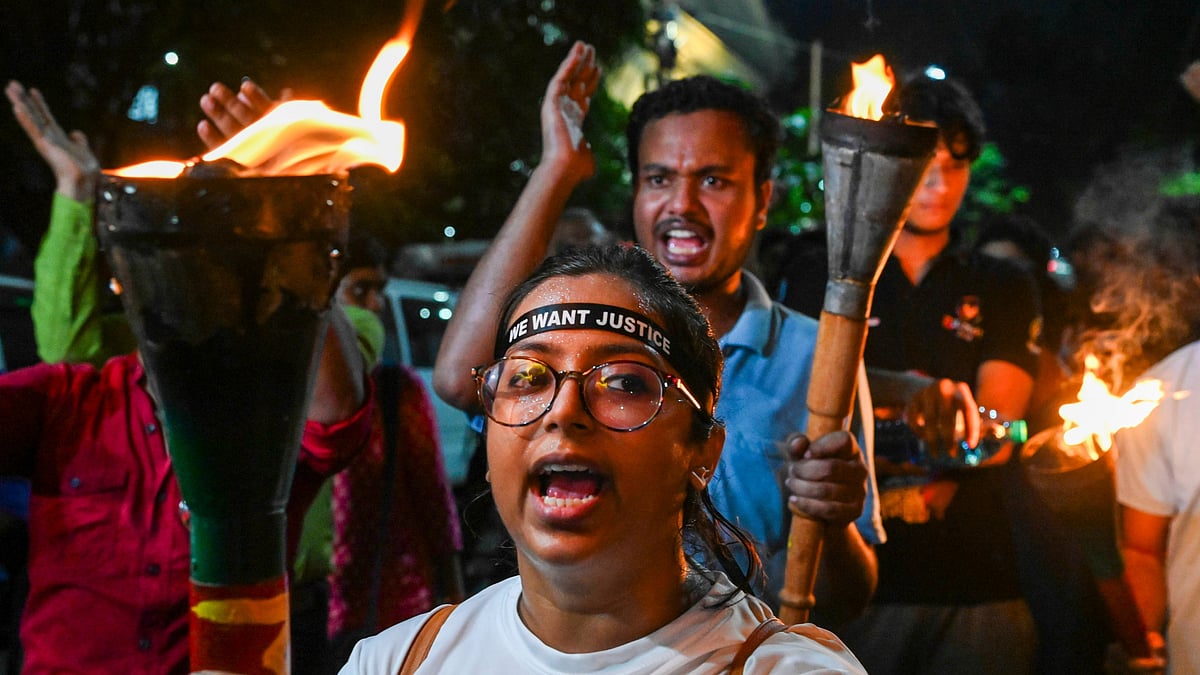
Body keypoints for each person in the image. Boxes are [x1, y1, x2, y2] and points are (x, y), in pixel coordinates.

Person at [431, 41, 879, 627]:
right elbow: (458, 379)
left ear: (762, 199)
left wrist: (835, 518)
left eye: (714, 180)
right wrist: (556, 169)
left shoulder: (818, 359)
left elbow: (851, 595)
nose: (682, 206)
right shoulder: (581, 333)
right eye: (659, 178)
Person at [341, 244, 867, 673]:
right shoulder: (398, 662)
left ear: (702, 455)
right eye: (527, 376)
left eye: (623, 382)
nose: (563, 411)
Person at [5, 79, 373, 674]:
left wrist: (290, 214)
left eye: (218, 256)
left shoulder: (266, 418)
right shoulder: (69, 402)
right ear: (125, 278)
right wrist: (78, 194)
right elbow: (61, 342)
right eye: (168, 250)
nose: (191, 272)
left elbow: (336, 417)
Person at [778, 73, 1045, 672]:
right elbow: (800, 413)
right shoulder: (816, 270)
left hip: (977, 584)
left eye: (956, 165)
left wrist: (882, 435)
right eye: (925, 161)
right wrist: (919, 416)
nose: (939, 183)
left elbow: (994, 431)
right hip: (848, 591)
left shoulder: (1002, 285)